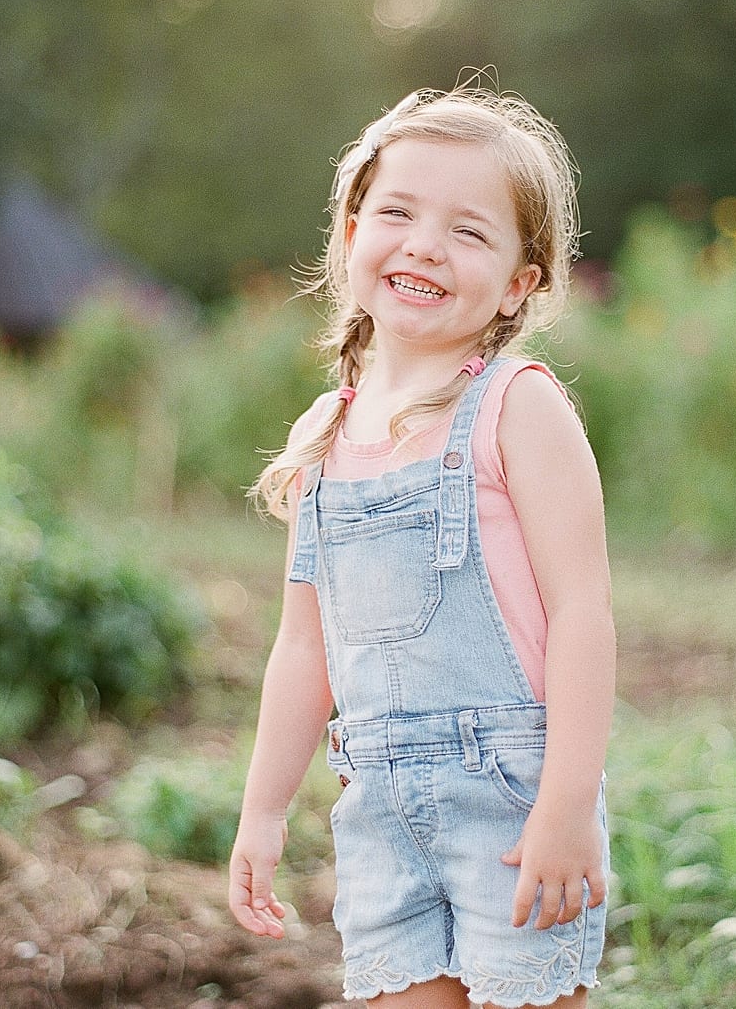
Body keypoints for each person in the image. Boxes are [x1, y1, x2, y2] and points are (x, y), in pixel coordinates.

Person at [228, 84, 616, 1009]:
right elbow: (302, 646)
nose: (425, 245)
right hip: (378, 814)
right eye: (396, 212)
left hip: (514, 803)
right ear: (353, 231)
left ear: (522, 280)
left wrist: (566, 805)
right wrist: (265, 807)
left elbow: (583, 615)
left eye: (470, 231)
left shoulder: (518, 407)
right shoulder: (326, 429)